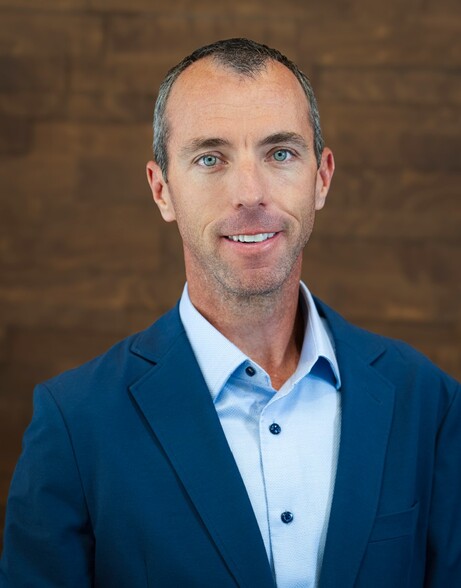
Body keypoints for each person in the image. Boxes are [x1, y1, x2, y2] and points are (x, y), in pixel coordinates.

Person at [1, 38, 460, 588]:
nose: (249, 192)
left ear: (322, 177)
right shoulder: (74, 424)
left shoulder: (429, 402)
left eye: (280, 153)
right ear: (162, 190)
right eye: (210, 158)